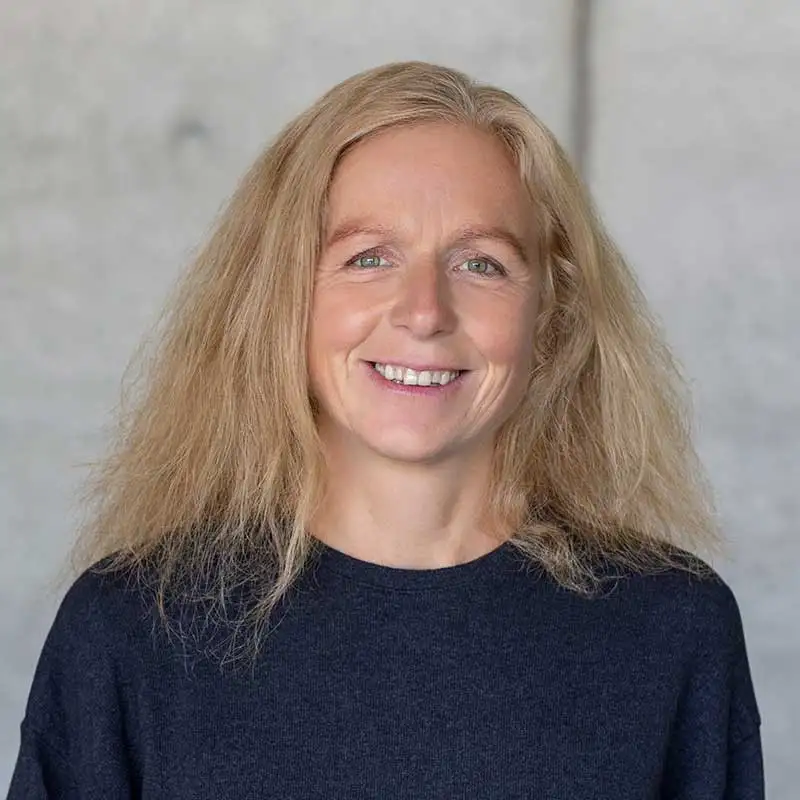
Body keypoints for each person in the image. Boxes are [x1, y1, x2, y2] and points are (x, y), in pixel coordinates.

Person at [8, 61, 763, 798]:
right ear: (281, 297)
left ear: (551, 313)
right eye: (369, 258)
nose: (424, 311)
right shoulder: (133, 630)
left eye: (481, 264)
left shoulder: (671, 632)